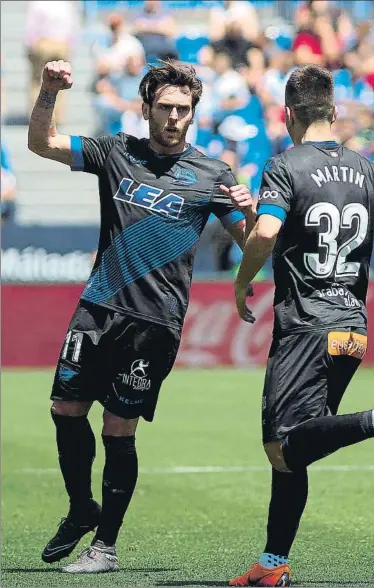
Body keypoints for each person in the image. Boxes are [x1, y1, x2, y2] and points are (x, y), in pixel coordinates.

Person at [28, 59, 255, 574]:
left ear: (193, 114)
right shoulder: (116, 152)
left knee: (118, 428)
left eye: (184, 110)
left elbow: (251, 243)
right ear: (147, 106)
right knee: (65, 409)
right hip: (97, 306)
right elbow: (43, 143)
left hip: (154, 324)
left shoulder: (212, 173)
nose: (175, 117)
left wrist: (250, 209)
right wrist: (47, 91)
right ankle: (81, 508)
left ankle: (104, 547)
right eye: (166, 107)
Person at [230, 65, 374, 587]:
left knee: (282, 445)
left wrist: (241, 280)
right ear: (334, 111)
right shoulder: (368, 170)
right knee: (298, 450)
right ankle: (273, 566)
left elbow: (267, 231)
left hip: (306, 327)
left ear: (287, 113)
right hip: (352, 333)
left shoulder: (283, 166)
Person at [25, 0, 79, 124]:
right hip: (62, 44)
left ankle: (36, 117)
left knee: (36, 81)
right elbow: (73, 28)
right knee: (61, 81)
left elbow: (31, 28)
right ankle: (56, 118)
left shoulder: (38, 4)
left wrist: (30, 47)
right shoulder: (67, 5)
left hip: (43, 43)